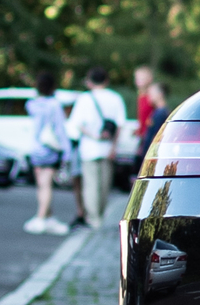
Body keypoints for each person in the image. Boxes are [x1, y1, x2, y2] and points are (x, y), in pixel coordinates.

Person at [66, 64, 127, 227]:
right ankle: (99, 214)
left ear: (90, 81)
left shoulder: (84, 99)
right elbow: (120, 124)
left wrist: (93, 135)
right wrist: (114, 146)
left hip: (89, 147)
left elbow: (77, 124)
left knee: (91, 185)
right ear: (106, 80)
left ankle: (94, 218)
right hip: (108, 148)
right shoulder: (115, 98)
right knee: (104, 186)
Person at [22, 70, 72, 235]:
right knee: (47, 185)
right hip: (50, 148)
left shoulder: (32, 104)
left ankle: (47, 216)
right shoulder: (54, 105)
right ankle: (41, 217)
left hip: (35, 148)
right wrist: (67, 151)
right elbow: (59, 129)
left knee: (40, 185)